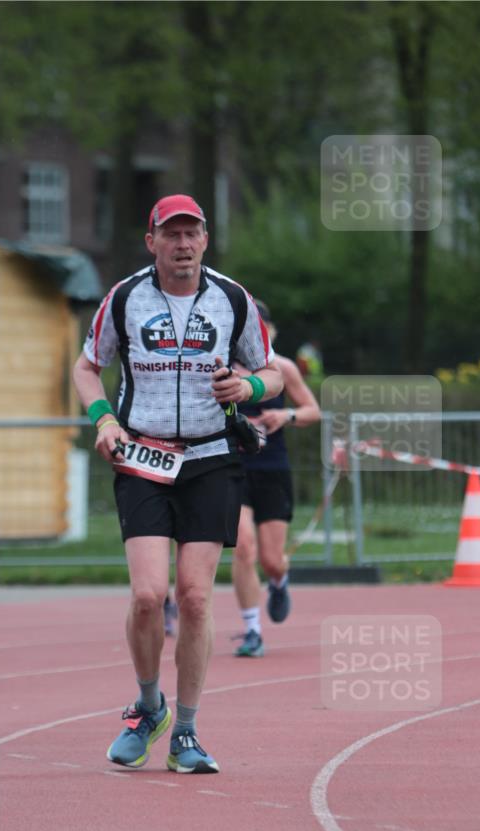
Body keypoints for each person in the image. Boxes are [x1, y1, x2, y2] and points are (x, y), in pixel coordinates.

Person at [73, 194, 283, 774]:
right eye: (172, 234)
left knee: (194, 596)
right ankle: (149, 708)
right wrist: (103, 419)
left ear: (205, 240)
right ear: (153, 242)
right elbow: (87, 366)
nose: (183, 244)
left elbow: (271, 371)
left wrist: (249, 389)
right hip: (142, 455)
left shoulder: (233, 299)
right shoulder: (124, 299)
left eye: (192, 234)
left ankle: (186, 731)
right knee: (148, 595)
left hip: (212, 457)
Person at [232, 300, 321, 657]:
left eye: (260, 327)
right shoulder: (223, 370)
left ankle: (279, 579)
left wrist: (285, 416)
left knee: (271, 559)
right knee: (243, 546)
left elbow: (313, 410)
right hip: (233, 468)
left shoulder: (282, 368)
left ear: (271, 330)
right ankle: (252, 630)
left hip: (271, 468)